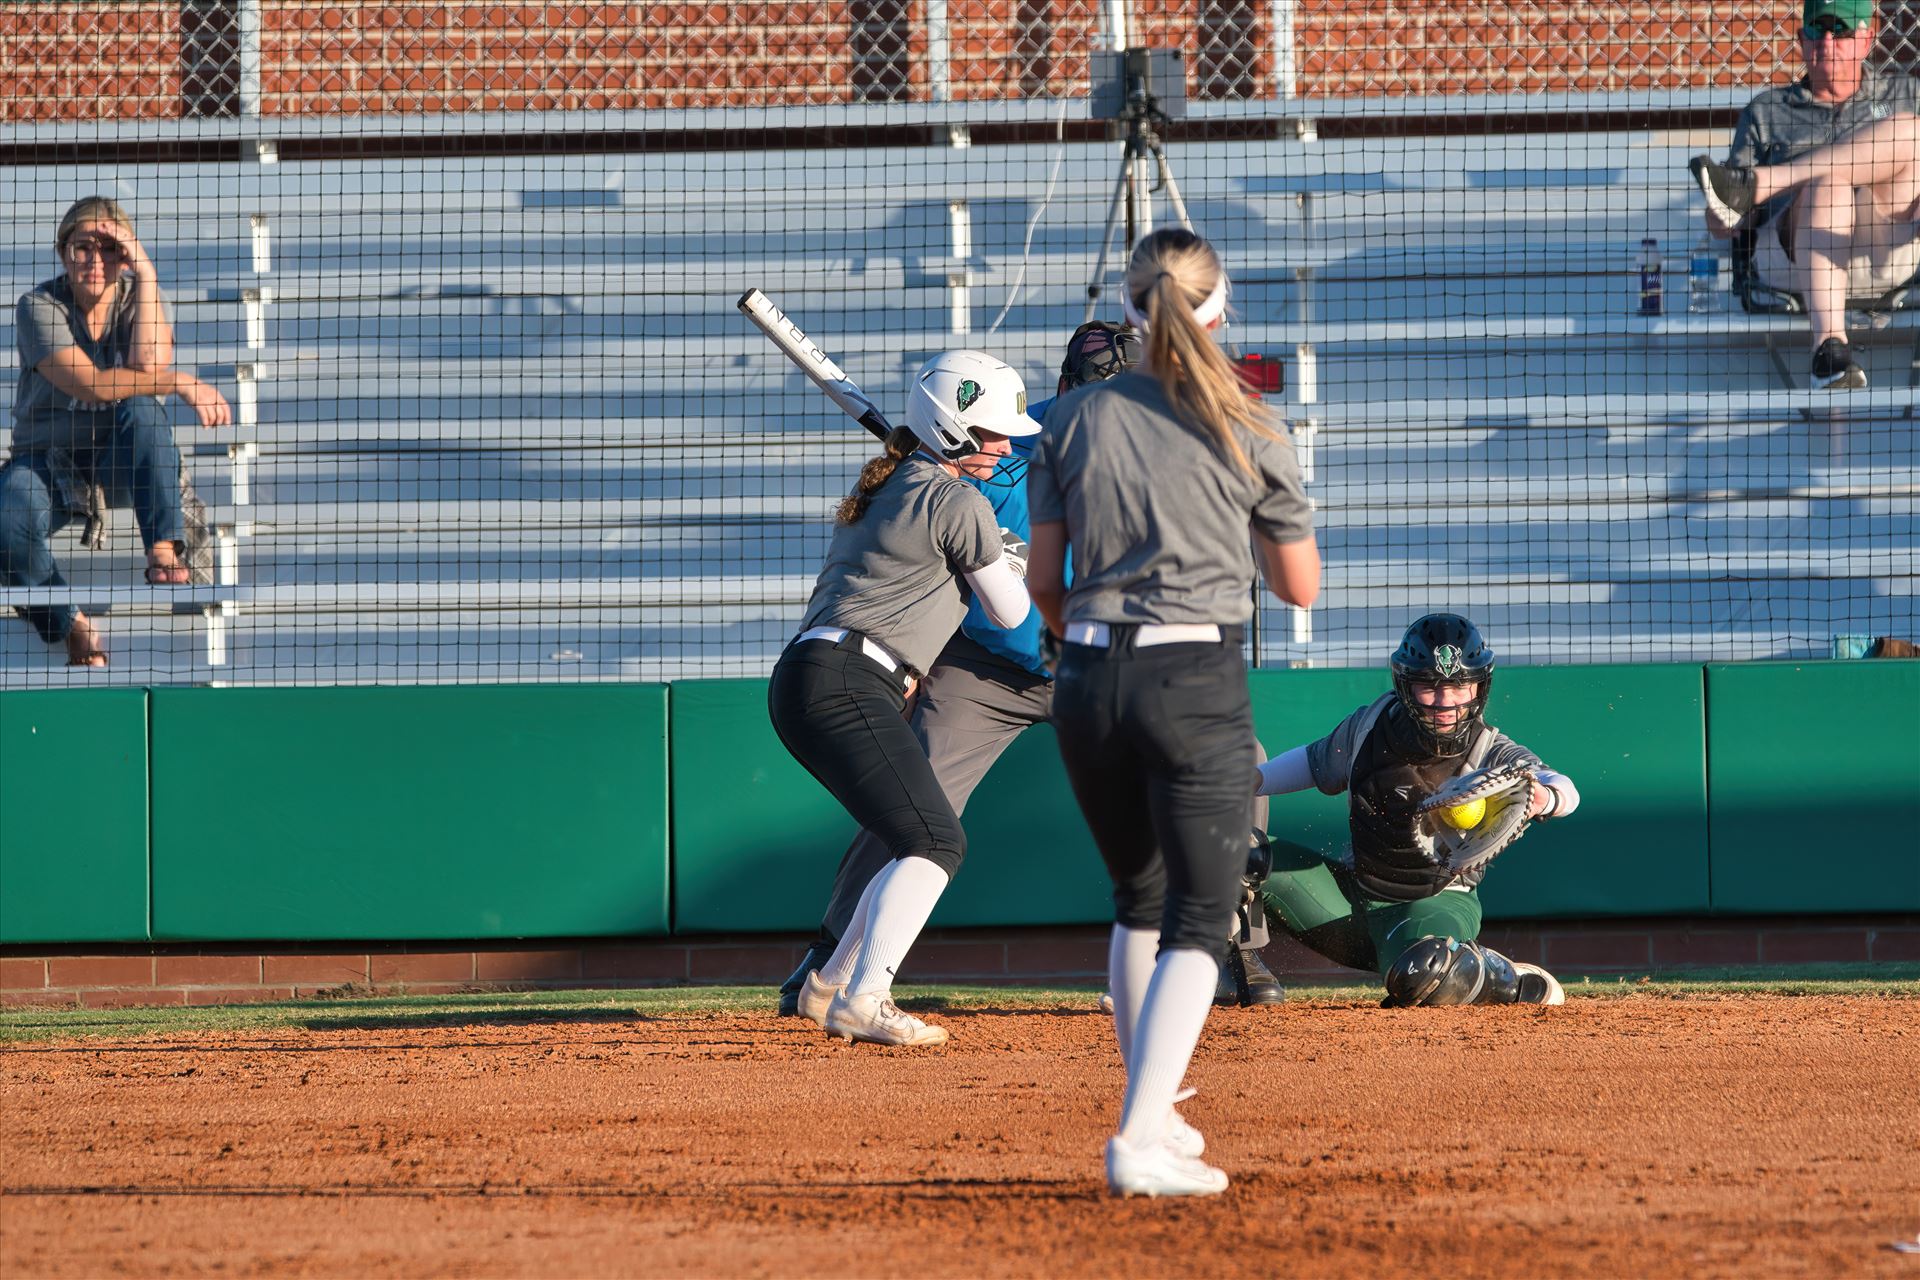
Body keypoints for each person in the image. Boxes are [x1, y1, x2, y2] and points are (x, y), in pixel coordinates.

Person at [1026, 227, 1321, 1198]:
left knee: (1137, 903)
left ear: (1135, 302)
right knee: (1200, 913)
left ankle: (1155, 1112)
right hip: (1191, 671)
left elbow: (1046, 586)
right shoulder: (1248, 419)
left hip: (1087, 679)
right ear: (1216, 306)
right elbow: (1299, 586)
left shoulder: (1071, 416)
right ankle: (1139, 1134)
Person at [776, 322, 1136, 1020]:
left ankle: (1224, 952)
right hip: (985, 669)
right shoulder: (996, 454)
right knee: (913, 809)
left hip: (1100, 664)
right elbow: (972, 580)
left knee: (1203, 774)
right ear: (1066, 391)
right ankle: (828, 965)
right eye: (1096, 399)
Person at [768, 349, 1036, 1047]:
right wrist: (1010, 552)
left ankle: (829, 986)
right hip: (849, 680)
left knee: (908, 836)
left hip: (810, 678)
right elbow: (1011, 613)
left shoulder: (890, 484)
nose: (1007, 446)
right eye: (991, 435)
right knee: (935, 839)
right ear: (952, 433)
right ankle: (866, 997)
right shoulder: (957, 502)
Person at [1253, 614, 1580, 1007]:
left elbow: (1564, 788)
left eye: (1461, 686)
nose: (1446, 702)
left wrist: (1545, 798)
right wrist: (1247, 782)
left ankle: (1505, 976)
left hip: (1433, 905)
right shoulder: (1371, 724)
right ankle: (1231, 965)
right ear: (1405, 685)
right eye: (1430, 686)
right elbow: (1314, 762)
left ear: (1480, 685)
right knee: (1234, 851)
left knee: (1426, 975)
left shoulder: (1489, 748)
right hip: (1348, 903)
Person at [2, 196, 233, 667]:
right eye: (82, 246)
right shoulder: (38, 306)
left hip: (119, 459)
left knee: (143, 407)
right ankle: (71, 624)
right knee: (6, 517)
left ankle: (164, 548)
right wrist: (181, 382)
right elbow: (89, 386)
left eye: (109, 248)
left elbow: (147, 365)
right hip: (48, 459)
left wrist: (145, 273)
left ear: (125, 256)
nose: (94, 260)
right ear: (62, 251)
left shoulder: (138, 295)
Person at [1688, 0, 1919, 390]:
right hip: (1792, 257)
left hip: (1884, 251)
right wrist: (1720, 217)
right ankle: (1830, 350)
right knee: (1828, 187)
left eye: (1841, 30)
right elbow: (1726, 224)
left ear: (1867, 39)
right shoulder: (1767, 111)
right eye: (1816, 30)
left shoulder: (1905, 93)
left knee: (1910, 130)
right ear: (1801, 39)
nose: (1827, 41)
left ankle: (1759, 182)